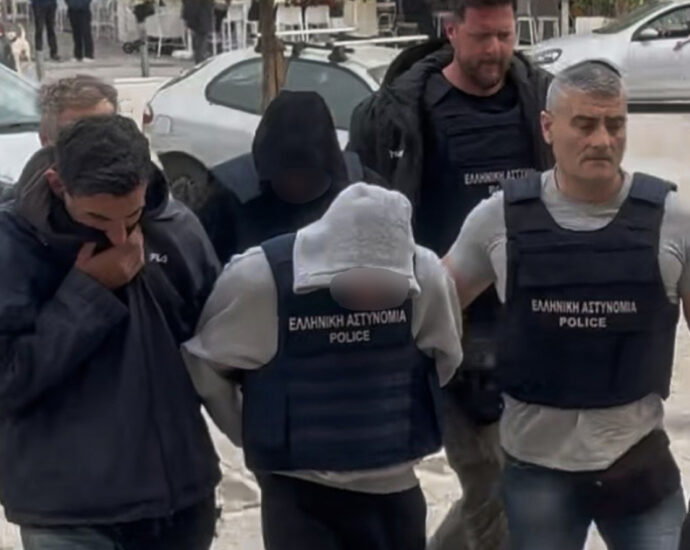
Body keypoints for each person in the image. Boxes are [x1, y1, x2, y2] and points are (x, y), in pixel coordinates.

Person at [445, 61, 689, 550]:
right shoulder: (498, 219)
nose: (603, 140)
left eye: (615, 124)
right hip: (536, 468)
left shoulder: (672, 220)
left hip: (637, 463)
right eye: (585, 124)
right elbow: (434, 308)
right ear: (548, 127)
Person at [348, 0, 552, 547]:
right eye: (482, 36)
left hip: (532, 324)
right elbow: (361, 210)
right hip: (448, 326)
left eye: (505, 35)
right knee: (490, 485)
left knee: (520, 483)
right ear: (451, 30)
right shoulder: (399, 115)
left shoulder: (542, 100)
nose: (496, 50)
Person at [183, 183, 464, 550]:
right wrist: (250, 432)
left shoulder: (427, 276)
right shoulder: (261, 279)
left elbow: (445, 357)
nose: (369, 300)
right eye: (354, 288)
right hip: (299, 492)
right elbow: (205, 365)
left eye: (385, 291)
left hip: (395, 487)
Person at [0, 115, 221, 549]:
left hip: (179, 502)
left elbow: (218, 348)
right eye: (98, 217)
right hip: (68, 514)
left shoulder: (176, 228)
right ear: (58, 185)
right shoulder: (11, 245)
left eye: (132, 215)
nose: (120, 236)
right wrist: (89, 292)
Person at [196, 90, 381, 263]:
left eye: (307, 176)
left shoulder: (365, 193)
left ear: (328, 167)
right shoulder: (230, 197)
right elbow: (207, 270)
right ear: (267, 169)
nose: (297, 185)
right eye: (288, 175)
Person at [7, 75, 118, 203]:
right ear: (45, 139)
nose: (95, 143)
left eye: (105, 131)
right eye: (76, 134)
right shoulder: (20, 209)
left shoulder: (137, 191)